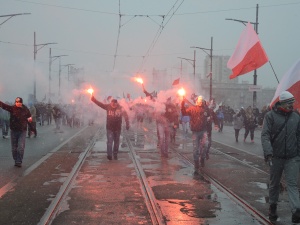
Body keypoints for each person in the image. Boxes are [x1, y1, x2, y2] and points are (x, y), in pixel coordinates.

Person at [261, 91, 300, 223]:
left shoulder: (296, 117)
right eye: (289, 103)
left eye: (292, 103)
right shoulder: (270, 116)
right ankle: (273, 207)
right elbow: (265, 135)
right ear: (282, 103)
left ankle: (296, 210)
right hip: (275, 157)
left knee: (292, 184)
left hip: (292, 157)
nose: (292, 106)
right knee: (274, 184)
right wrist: (268, 152)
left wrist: (298, 154)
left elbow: (299, 137)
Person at [91, 95, 130, 160]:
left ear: (117, 103)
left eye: (115, 104)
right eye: (112, 103)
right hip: (109, 128)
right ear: (111, 102)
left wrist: (127, 124)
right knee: (110, 141)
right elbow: (100, 104)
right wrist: (93, 99)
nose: (113, 105)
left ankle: (115, 154)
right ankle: (109, 155)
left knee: (116, 142)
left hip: (117, 128)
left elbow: (126, 116)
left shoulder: (121, 108)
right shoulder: (108, 107)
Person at [0, 97, 32, 167]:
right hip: (13, 131)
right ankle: (16, 159)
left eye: (19, 102)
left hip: (22, 131)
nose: (17, 103)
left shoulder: (25, 109)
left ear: (21, 102)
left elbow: (29, 117)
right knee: (14, 148)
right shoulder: (12, 108)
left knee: (20, 147)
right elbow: (4, 106)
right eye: (16, 102)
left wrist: (31, 124)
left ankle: (19, 161)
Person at [181, 95, 209, 169]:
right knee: (195, 148)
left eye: (202, 101)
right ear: (197, 102)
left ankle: (202, 158)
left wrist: (206, 105)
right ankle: (196, 161)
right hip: (195, 132)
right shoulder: (192, 109)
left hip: (203, 131)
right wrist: (182, 102)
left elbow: (209, 113)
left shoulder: (206, 109)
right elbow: (184, 112)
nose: (200, 103)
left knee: (205, 146)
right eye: (199, 101)